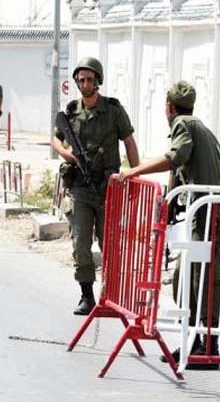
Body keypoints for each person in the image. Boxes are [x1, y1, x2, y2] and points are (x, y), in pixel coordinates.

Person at [118, 81, 220, 368]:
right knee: (199, 276)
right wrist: (173, 202)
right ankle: (203, 341)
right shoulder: (202, 128)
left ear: (169, 106)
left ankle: (206, 342)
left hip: (207, 213)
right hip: (209, 210)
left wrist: (134, 171)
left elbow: (176, 157)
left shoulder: (183, 126)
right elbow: (184, 167)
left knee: (195, 276)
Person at [52, 56, 140, 316]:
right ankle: (86, 295)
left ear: (98, 81)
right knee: (80, 243)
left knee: (109, 243)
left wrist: (135, 174)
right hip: (80, 187)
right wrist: (66, 154)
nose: (86, 83)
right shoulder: (70, 112)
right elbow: (56, 140)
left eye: (90, 79)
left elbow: (129, 142)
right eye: (81, 79)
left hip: (108, 187)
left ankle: (111, 294)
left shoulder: (113, 110)